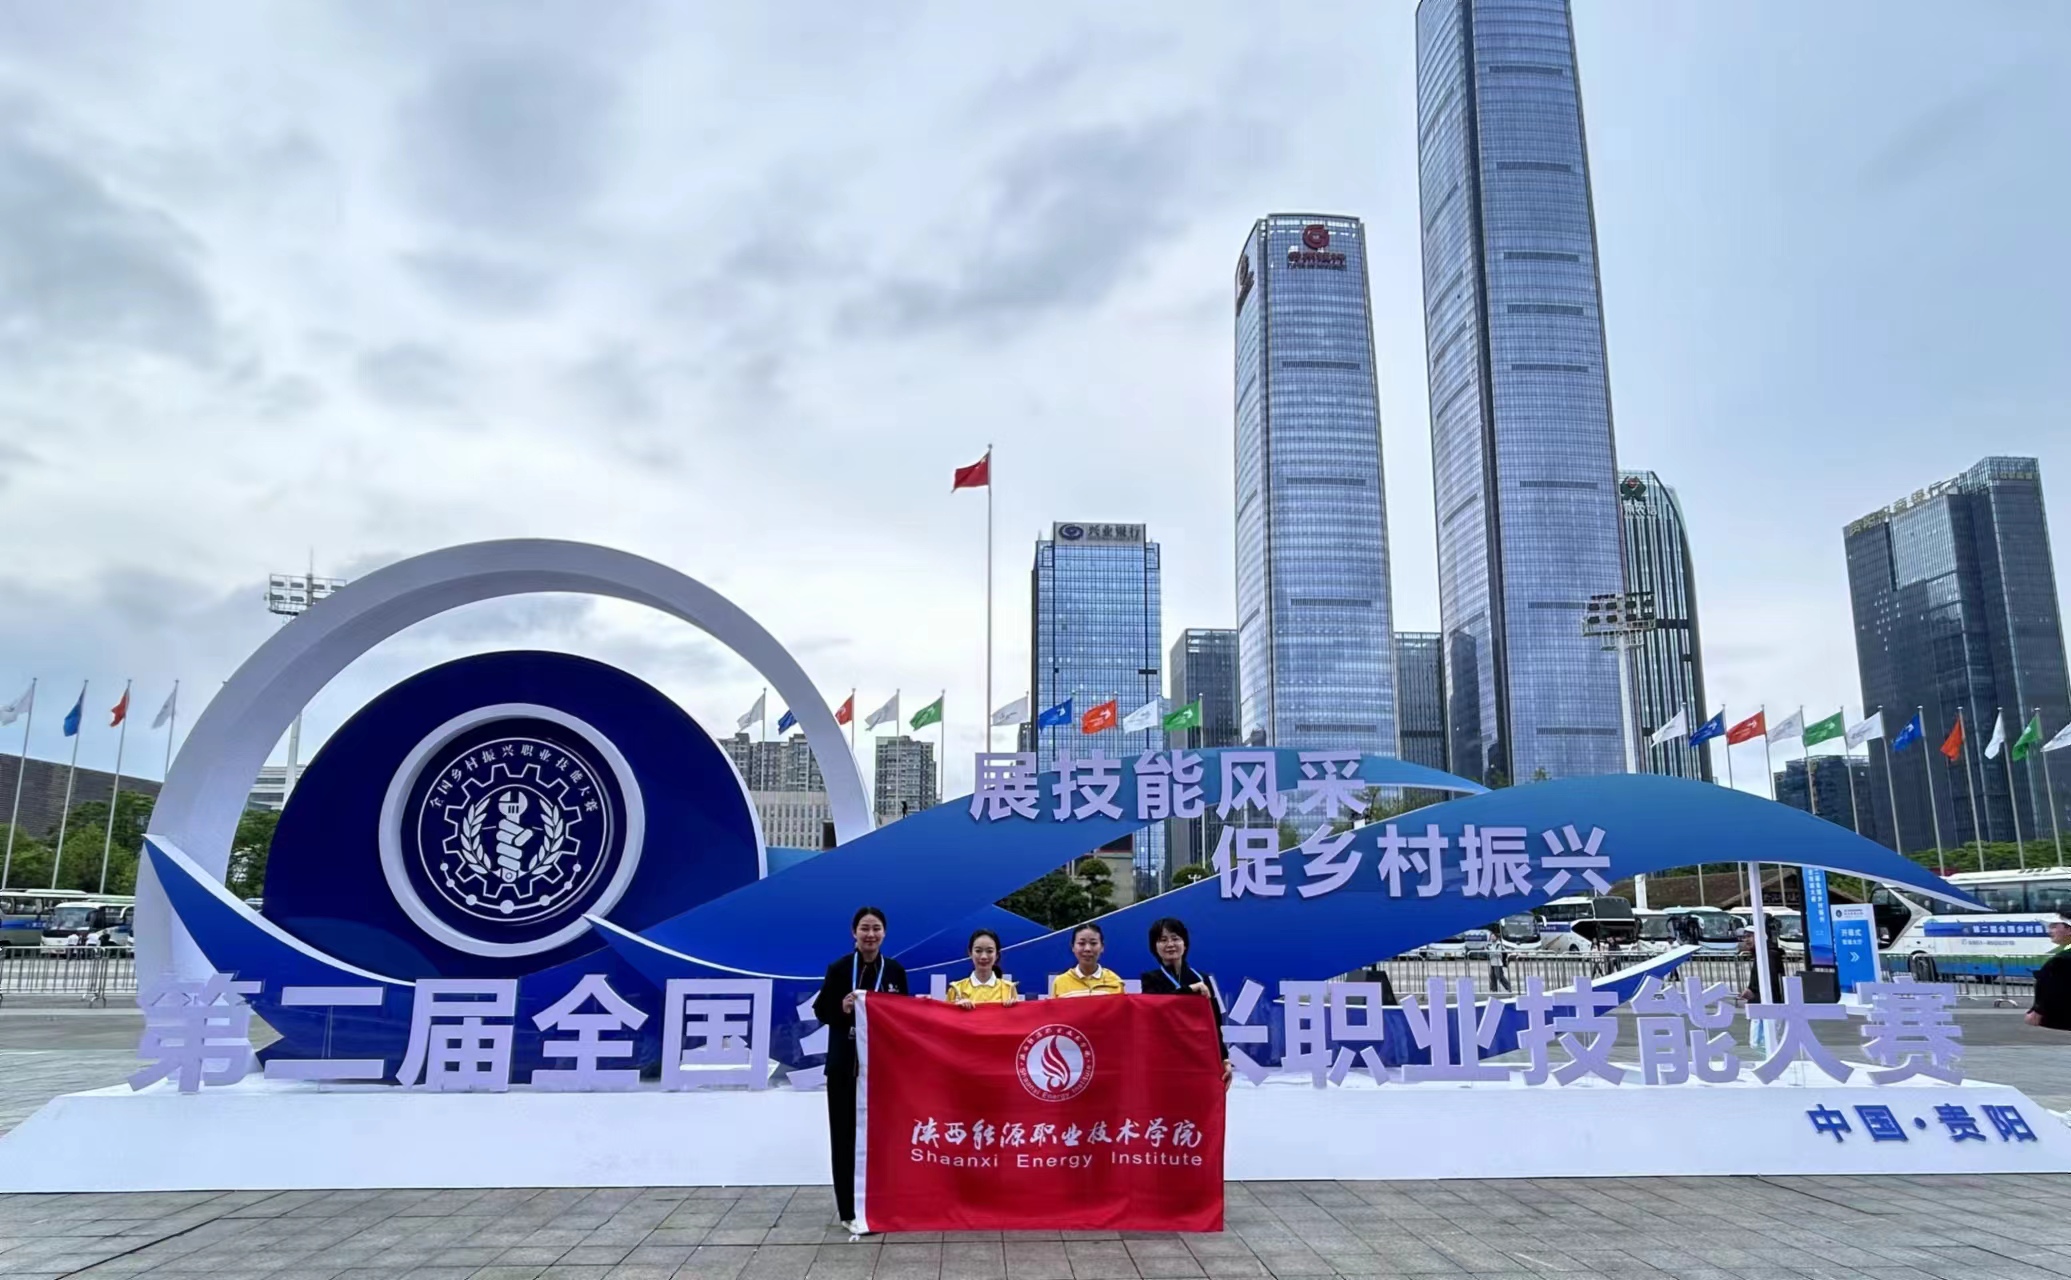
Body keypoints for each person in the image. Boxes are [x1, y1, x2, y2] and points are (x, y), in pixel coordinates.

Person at [812, 905, 908, 1233]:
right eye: (864, 928)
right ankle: (848, 1210)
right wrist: (841, 1007)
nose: (870, 934)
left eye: (876, 928)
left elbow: (905, 1016)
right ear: (854, 932)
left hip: (881, 1071)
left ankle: (879, 1204)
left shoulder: (894, 971)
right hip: (844, 1069)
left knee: (881, 1138)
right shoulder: (840, 969)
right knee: (844, 1139)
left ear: (884, 933)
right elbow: (821, 1010)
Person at [1138, 916, 1233, 1087]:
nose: (1170, 944)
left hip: (1198, 1056)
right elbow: (1157, 1007)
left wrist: (1224, 1058)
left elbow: (1214, 1022)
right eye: (1163, 940)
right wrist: (1190, 990)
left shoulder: (1202, 978)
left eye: (1175, 938)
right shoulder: (1150, 979)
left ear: (1185, 943)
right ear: (1155, 947)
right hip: (1165, 1058)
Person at [945, 928, 1019, 1007]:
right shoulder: (956, 989)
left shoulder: (1009, 989)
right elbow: (945, 1014)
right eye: (978, 951)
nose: (984, 956)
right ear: (970, 953)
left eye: (989, 951)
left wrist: (1014, 1009)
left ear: (997, 955)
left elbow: (1018, 1015)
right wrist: (956, 1009)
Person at [1050, 922, 1125, 996]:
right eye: (1081, 943)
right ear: (1073, 947)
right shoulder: (1060, 982)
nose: (1087, 949)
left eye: (1093, 943)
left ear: (1102, 947)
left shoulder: (1115, 981)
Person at [2026, 909, 2071, 1031]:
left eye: (2054, 926)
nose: (2049, 931)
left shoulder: (2064, 958)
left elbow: (2053, 988)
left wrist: (2038, 1010)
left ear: (2069, 930)